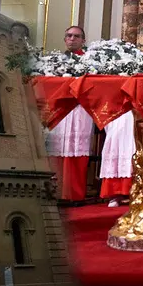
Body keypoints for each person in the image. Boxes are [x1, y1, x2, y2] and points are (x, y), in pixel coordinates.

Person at [46, 26, 94, 202]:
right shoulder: (54, 60)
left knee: (76, 149)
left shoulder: (91, 61)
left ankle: (74, 194)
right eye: (69, 36)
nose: (72, 39)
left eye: (76, 36)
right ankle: (56, 193)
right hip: (59, 110)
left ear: (83, 40)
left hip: (80, 109)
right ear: (64, 39)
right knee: (56, 149)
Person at [100, 111, 135, 207]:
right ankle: (114, 194)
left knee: (131, 147)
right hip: (115, 112)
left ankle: (132, 192)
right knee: (114, 147)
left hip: (133, 114)